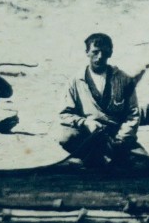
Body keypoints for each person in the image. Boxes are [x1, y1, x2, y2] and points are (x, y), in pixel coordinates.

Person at [58, 33, 141, 168]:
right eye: (95, 52)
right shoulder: (75, 81)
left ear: (110, 53)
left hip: (116, 136)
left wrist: (121, 138)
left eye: (105, 52)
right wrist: (86, 123)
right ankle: (97, 159)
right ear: (87, 52)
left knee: (144, 165)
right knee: (66, 136)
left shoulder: (124, 79)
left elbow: (133, 114)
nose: (100, 56)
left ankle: (101, 159)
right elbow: (65, 114)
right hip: (89, 135)